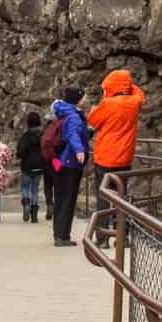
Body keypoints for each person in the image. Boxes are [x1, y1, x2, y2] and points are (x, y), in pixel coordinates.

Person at [87, 69, 146, 242]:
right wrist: (128, 85)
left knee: (103, 198)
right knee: (122, 198)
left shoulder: (109, 104)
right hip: (125, 158)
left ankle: (103, 237)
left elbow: (93, 120)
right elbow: (140, 93)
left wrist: (107, 96)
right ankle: (122, 237)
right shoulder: (135, 102)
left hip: (105, 157)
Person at [49, 86, 90, 248]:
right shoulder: (73, 116)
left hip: (59, 161)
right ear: (77, 99)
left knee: (60, 197)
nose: (86, 99)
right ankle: (62, 235)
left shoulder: (64, 112)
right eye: (84, 97)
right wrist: (80, 149)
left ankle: (59, 234)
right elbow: (72, 133)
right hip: (70, 162)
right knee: (68, 198)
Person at [15, 112, 47, 223]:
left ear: (28, 122)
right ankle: (34, 215)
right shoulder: (43, 135)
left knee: (25, 187)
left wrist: (19, 155)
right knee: (34, 190)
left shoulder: (25, 136)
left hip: (27, 166)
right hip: (39, 166)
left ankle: (26, 203)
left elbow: (20, 151)